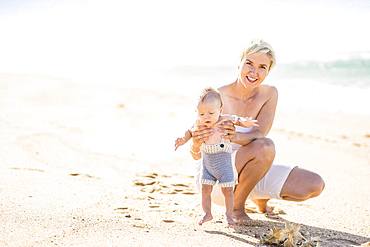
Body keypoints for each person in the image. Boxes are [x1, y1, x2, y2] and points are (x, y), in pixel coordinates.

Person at [190, 40, 325, 223]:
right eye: (249, 63)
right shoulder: (217, 96)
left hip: (252, 168)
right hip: (216, 179)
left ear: (268, 71)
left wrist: (235, 136)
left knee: (314, 184)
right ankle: (237, 209)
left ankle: (257, 196)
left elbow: (259, 133)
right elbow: (196, 151)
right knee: (265, 147)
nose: (254, 72)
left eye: (262, 67)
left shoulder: (269, 94)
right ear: (240, 63)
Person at [175, 88, 258, 226]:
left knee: (228, 191)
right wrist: (183, 140)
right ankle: (207, 213)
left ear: (220, 109)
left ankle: (229, 215)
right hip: (207, 166)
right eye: (201, 113)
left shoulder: (224, 120)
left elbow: (237, 120)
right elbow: (189, 131)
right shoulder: (199, 123)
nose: (206, 117)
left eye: (211, 113)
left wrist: (246, 122)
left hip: (224, 166)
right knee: (205, 190)